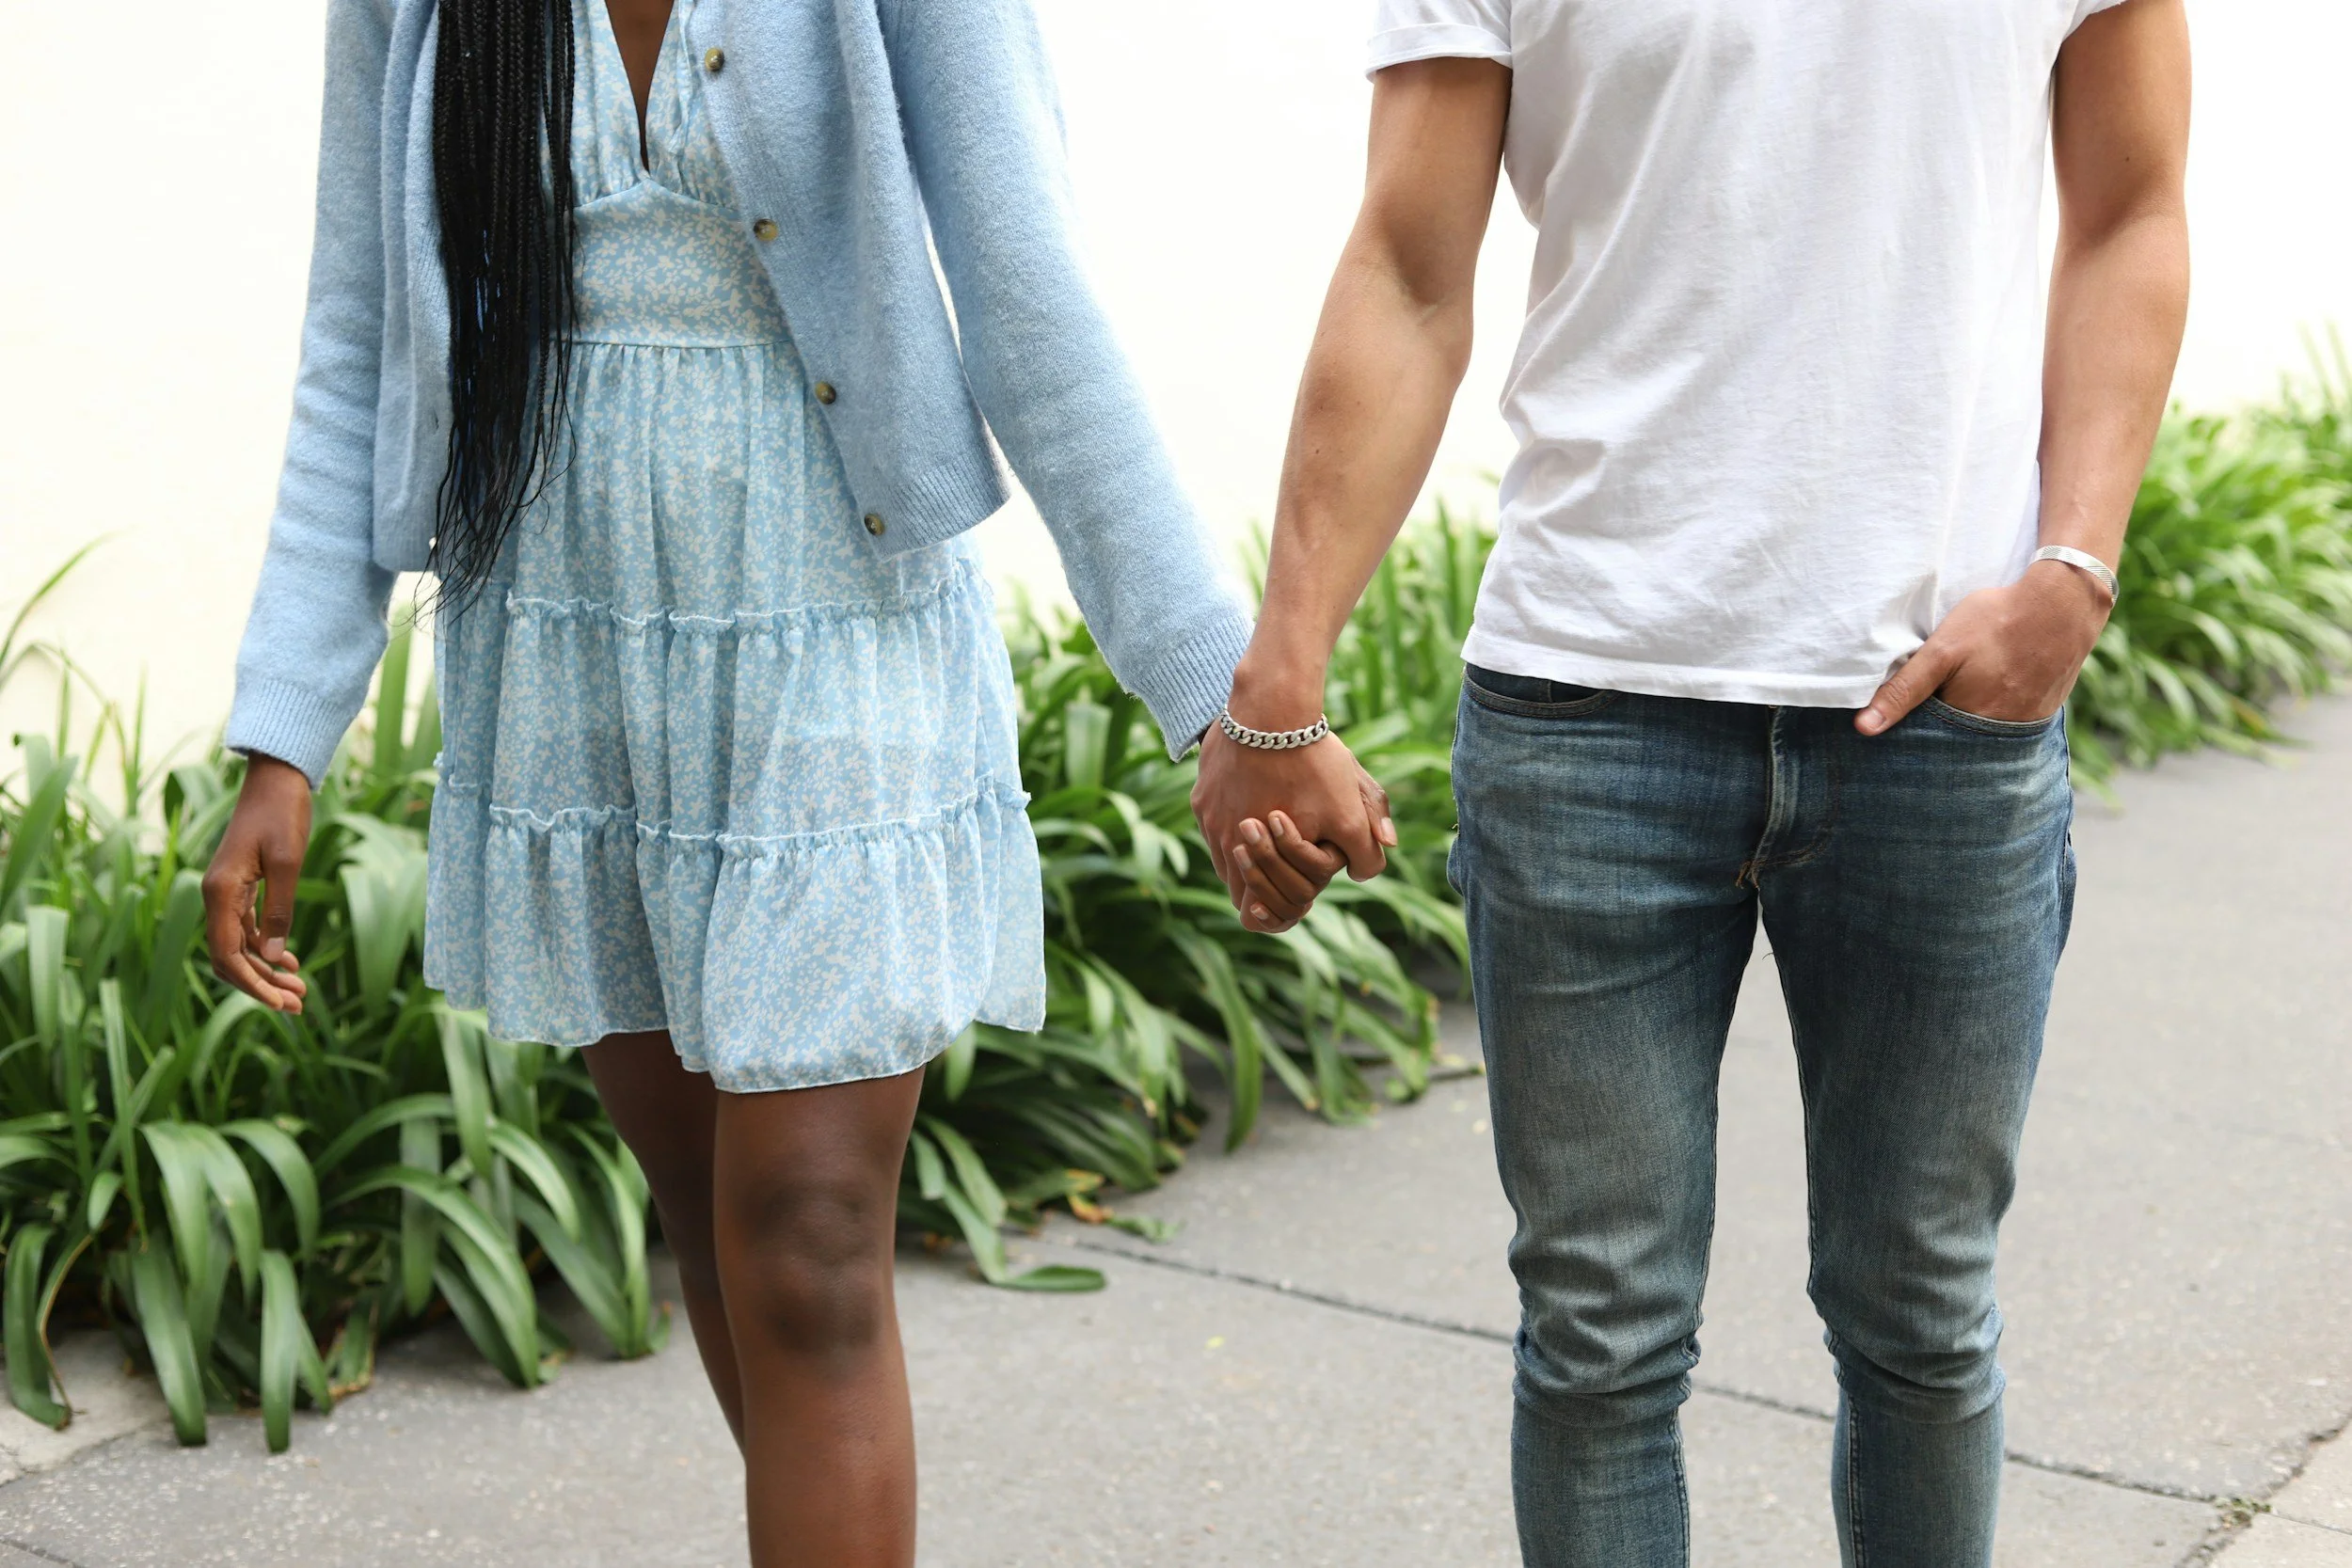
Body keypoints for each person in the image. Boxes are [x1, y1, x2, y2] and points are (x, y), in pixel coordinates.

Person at [199, 2, 1261, 1562]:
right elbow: (356, 331)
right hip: (568, 641)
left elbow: (1028, 289)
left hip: (831, 610)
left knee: (811, 1236)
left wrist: (1218, 697)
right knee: (714, 1214)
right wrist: (287, 724)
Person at [1194, 0, 2191, 1562]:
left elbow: (2130, 208)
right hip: (1586, 714)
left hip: (1937, 718)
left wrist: (2074, 564)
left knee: (1920, 1313)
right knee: (1599, 1339)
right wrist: (1280, 672)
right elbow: (1405, 263)